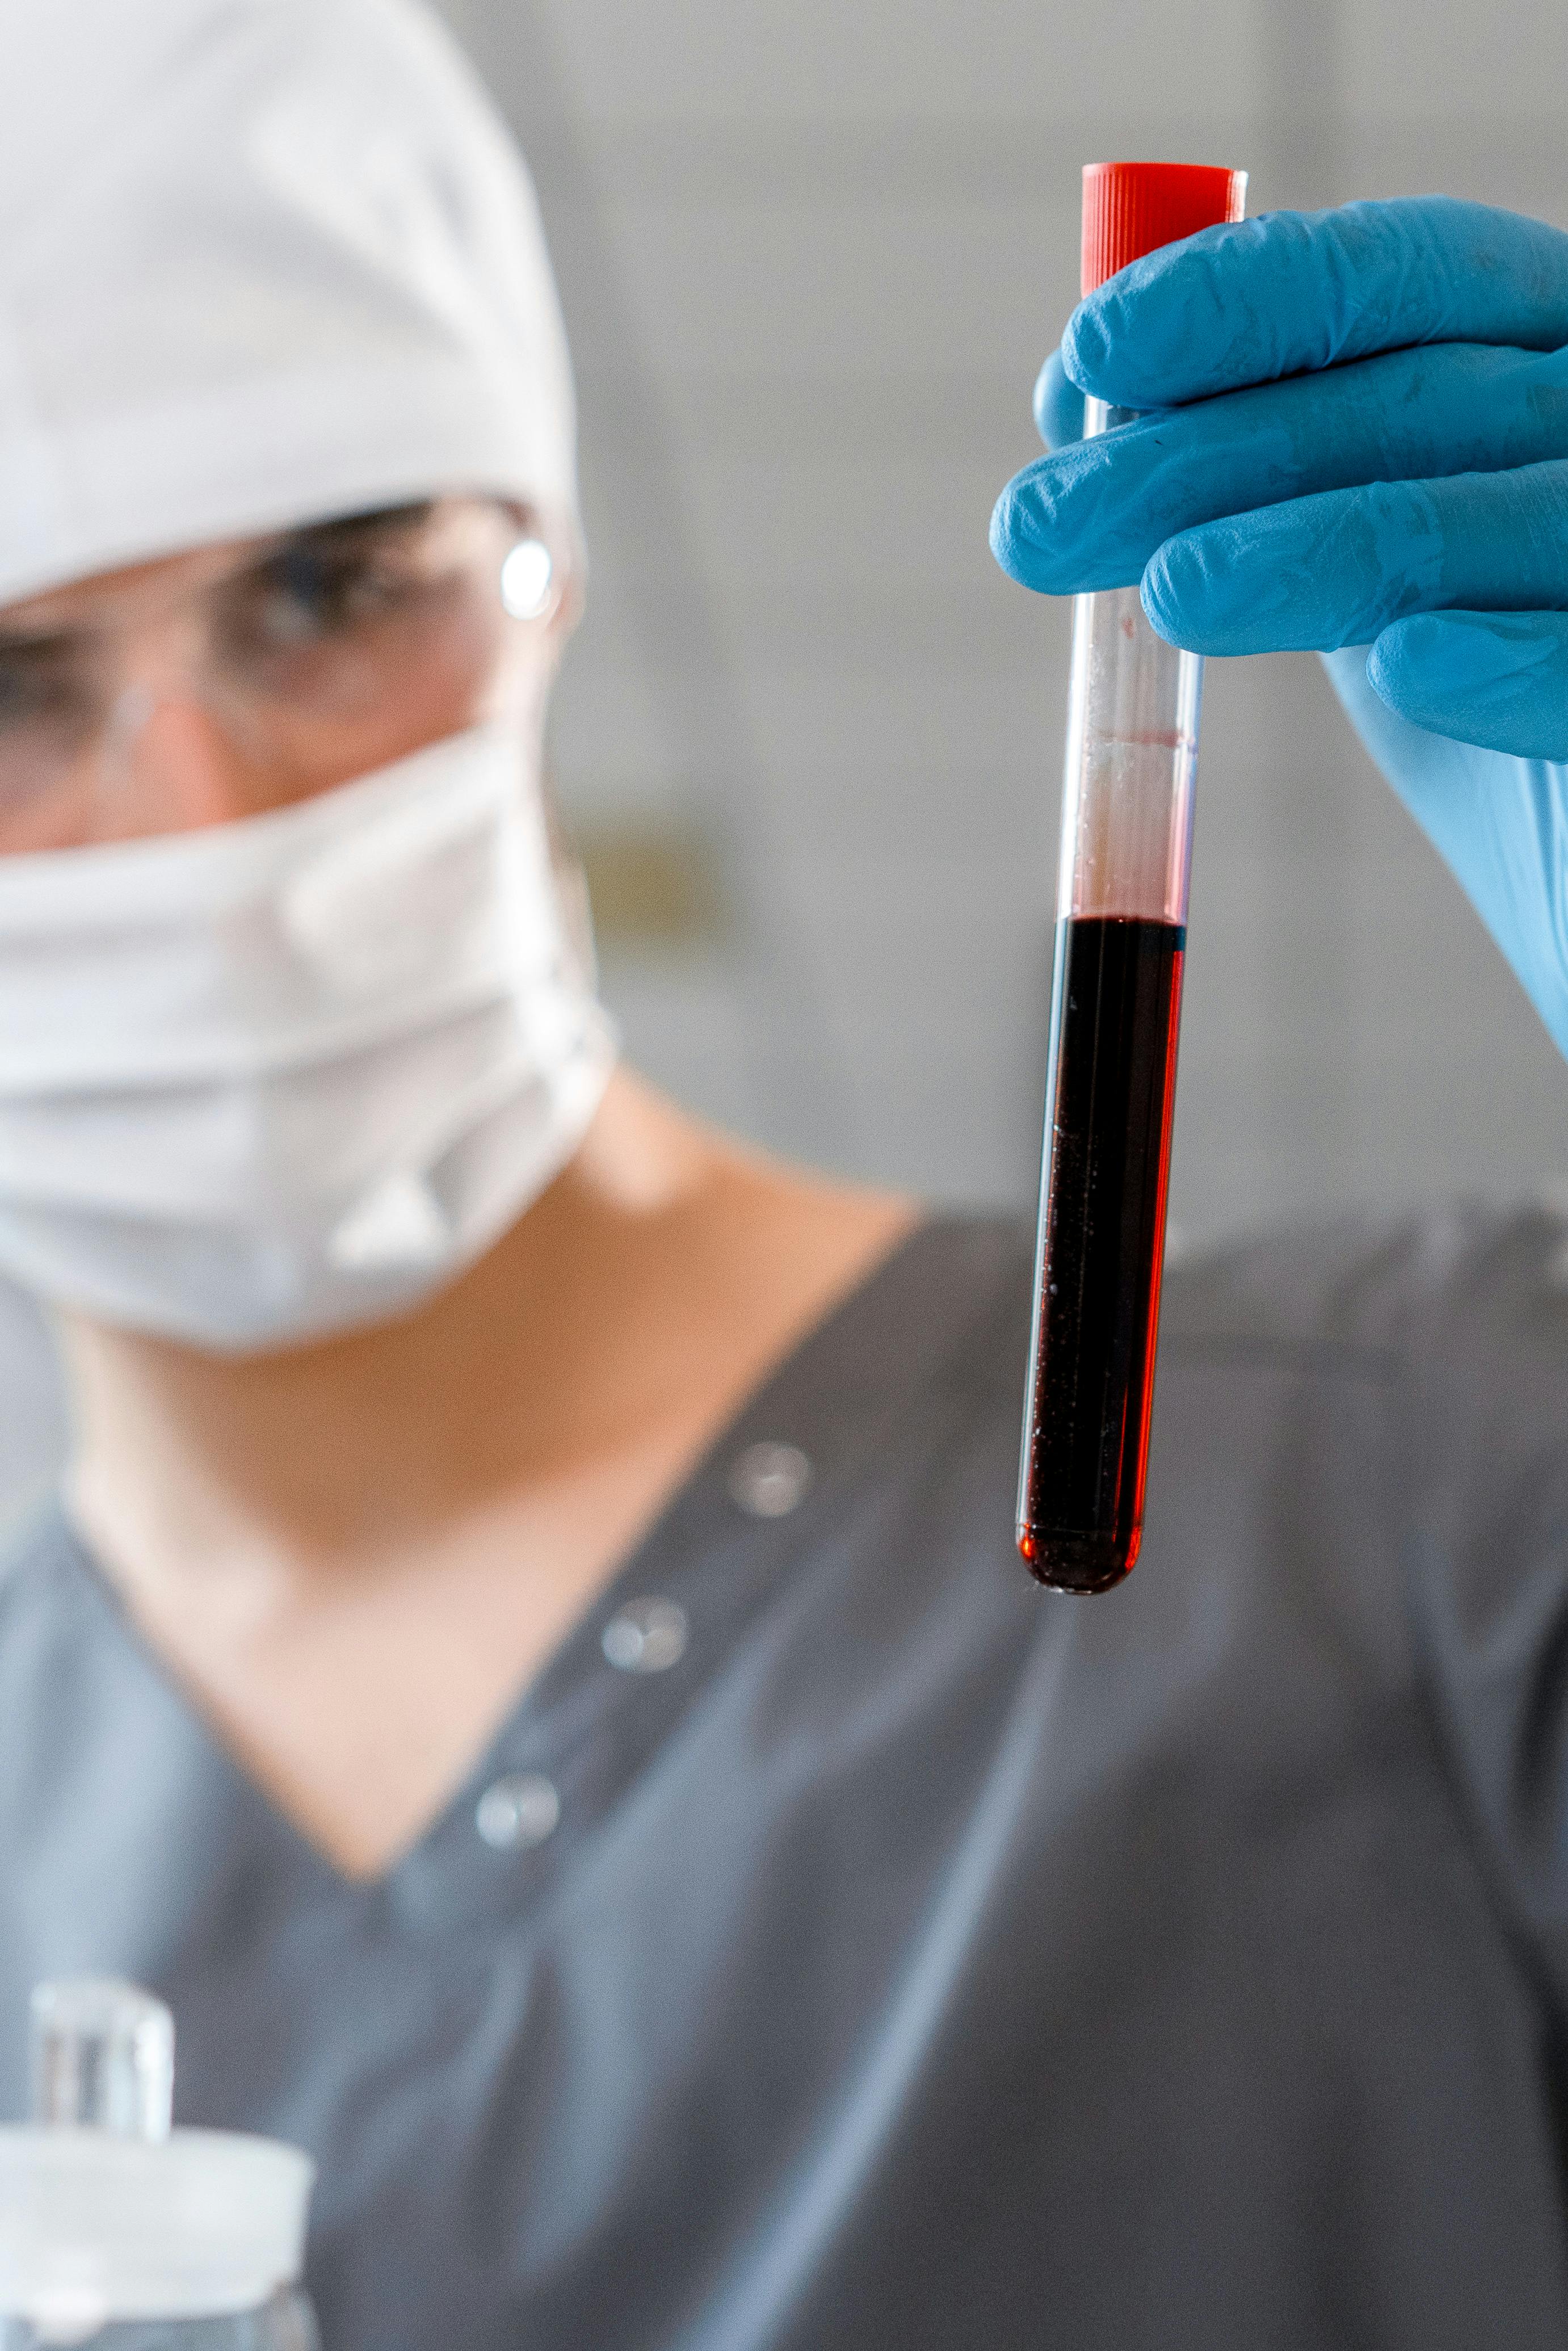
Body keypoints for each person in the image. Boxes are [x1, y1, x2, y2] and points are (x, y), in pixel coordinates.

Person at [3, 1, 1568, 2339]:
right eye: (9, 686)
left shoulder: (1437, 1471)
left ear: (542, 561)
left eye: (326, 594)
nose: (206, 811)